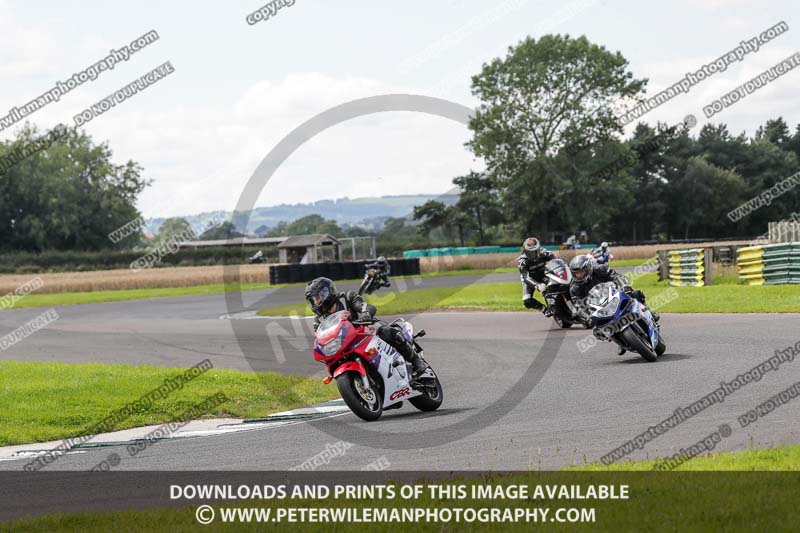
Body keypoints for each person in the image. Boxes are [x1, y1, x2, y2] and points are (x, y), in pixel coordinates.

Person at [304, 277, 427, 375]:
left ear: (327, 293)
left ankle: (416, 360)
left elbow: (364, 306)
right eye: (313, 300)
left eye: (317, 298)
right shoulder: (318, 320)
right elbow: (320, 337)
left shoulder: (347, 297)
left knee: (387, 332)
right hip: (345, 342)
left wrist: (366, 313)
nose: (316, 302)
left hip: (365, 329)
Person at [567, 255, 659, 353]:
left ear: (588, 268)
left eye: (581, 272)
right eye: (576, 273)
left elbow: (616, 276)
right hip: (598, 308)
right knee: (597, 330)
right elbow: (578, 306)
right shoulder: (574, 288)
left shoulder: (600, 269)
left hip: (614, 295)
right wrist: (586, 316)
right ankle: (620, 342)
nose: (579, 275)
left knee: (635, 294)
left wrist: (625, 285)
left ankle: (650, 313)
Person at [517, 237, 557, 316]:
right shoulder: (522, 261)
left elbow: (557, 261)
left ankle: (556, 304)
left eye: (534, 252)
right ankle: (543, 309)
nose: (532, 255)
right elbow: (526, 277)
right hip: (529, 280)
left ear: (538, 249)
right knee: (527, 301)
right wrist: (537, 285)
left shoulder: (546, 253)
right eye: (529, 252)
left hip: (543, 275)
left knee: (553, 286)